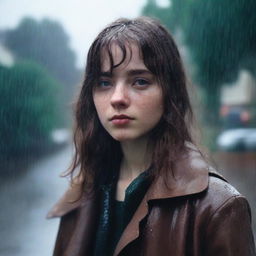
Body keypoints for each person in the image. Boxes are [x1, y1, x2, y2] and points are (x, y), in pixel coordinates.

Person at [47, 17, 256, 256]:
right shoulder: (82, 194)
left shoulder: (218, 207)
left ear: (170, 92)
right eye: (104, 82)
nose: (117, 98)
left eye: (140, 81)